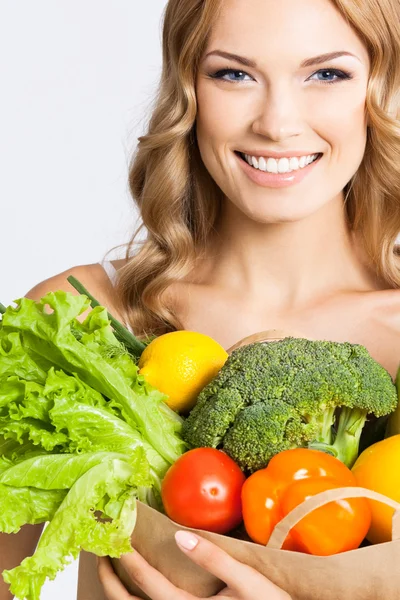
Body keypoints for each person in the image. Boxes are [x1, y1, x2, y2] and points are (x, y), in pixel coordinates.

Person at [1, 0, 400, 597]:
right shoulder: (78, 321)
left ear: (381, 87)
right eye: (233, 74)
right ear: (186, 87)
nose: (277, 122)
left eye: (327, 74)